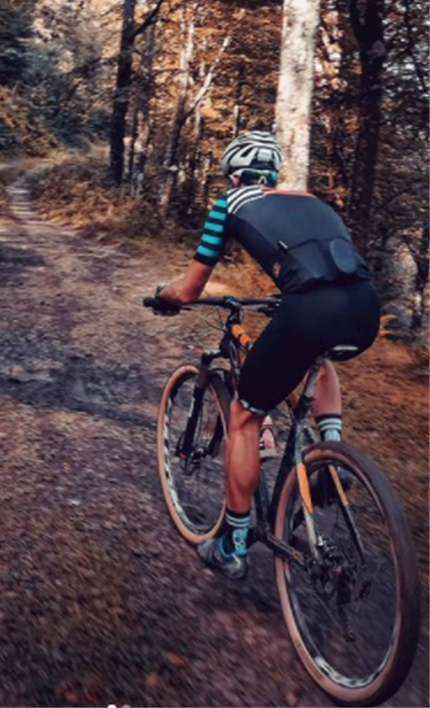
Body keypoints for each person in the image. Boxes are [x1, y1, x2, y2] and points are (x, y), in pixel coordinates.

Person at [156, 131, 379, 580]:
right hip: (365, 308)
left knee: (244, 417)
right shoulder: (314, 201)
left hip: (312, 309)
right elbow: (323, 265)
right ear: (275, 173)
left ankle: (232, 541)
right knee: (319, 355)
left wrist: (165, 295)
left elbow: (191, 289)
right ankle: (331, 457)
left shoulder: (229, 204)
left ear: (234, 174)